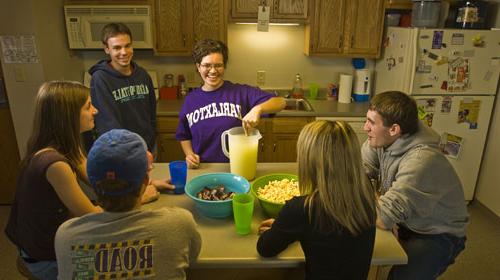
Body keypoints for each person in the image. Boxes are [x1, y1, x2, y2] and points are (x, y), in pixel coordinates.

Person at [55, 129, 202, 280]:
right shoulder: (179, 223)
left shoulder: (66, 237)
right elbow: (192, 257)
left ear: (92, 183)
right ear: (145, 181)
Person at [361, 91, 469, 280]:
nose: (365, 128)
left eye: (371, 122)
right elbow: (360, 175)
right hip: (407, 219)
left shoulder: (421, 160)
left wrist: (383, 209)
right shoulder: (382, 138)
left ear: (394, 129)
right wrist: (381, 205)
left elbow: (383, 217)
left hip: (437, 233)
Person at [4, 81, 103, 280]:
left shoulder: (68, 147)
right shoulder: (54, 164)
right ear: (68, 115)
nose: (96, 110)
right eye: (88, 106)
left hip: (51, 240)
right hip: (44, 259)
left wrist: (141, 183)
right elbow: (92, 216)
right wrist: (139, 198)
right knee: (110, 266)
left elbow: (98, 182)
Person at [257, 120, 377, 279]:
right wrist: (290, 227)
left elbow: (265, 248)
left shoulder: (303, 209)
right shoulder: (366, 194)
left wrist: (286, 227)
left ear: (309, 162)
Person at [175, 39, 285, 168]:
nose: (213, 71)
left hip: (238, 167)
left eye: (218, 65)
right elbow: (184, 134)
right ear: (198, 67)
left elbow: (280, 102)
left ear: (224, 66)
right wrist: (189, 155)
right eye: (207, 65)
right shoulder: (190, 100)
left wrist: (258, 109)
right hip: (203, 168)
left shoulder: (241, 92)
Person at [88, 22, 156, 152]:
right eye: (117, 48)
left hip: (147, 146)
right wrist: (127, 150)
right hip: (121, 151)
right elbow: (107, 123)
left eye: (127, 46)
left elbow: (151, 113)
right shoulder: (100, 79)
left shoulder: (143, 75)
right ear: (107, 49)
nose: (124, 52)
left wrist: (151, 140)